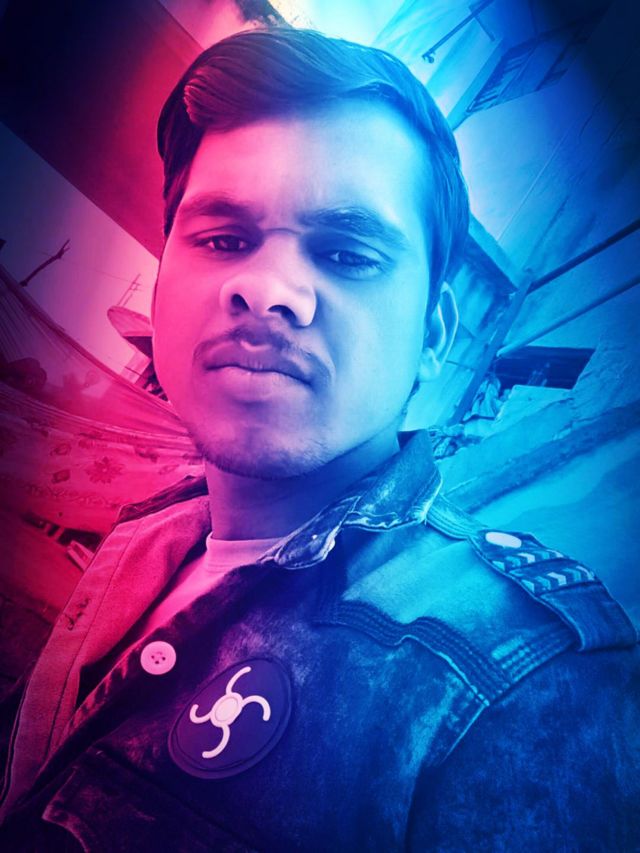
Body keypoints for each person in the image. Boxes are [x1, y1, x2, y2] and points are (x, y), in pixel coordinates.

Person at [1, 27, 638, 851]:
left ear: (433, 334)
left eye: (347, 254)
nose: (267, 289)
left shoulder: (520, 686)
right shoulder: (150, 531)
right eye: (223, 239)